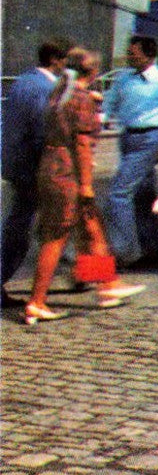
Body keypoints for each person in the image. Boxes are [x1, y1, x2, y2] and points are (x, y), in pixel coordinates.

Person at [21, 49, 145, 323]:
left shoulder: (59, 94)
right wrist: (87, 185)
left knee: (90, 226)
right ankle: (37, 301)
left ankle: (106, 285)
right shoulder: (82, 99)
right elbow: (82, 144)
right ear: (93, 73)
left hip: (50, 164)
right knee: (57, 237)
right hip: (69, 172)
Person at [101, 35, 158, 269]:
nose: (129, 57)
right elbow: (108, 106)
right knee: (143, 196)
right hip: (127, 137)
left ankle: (122, 250)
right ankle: (153, 250)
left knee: (119, 194)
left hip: (149, 138)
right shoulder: (123, 80)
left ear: (149, 55)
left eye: (134, 53)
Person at [2, 39, 69, 305]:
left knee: (19, 222)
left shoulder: (23, 81)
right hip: (35, 166)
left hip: (13, 161)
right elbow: (45, 131)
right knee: (28, 227)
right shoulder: (46, 88)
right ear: (55, 60)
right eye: (65, 62)